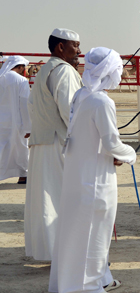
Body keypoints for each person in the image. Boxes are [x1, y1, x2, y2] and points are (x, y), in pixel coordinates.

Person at [49, 47, 136, 293]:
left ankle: (100, 277)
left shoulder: (82, 95)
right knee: (94, 231)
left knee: (88, 232)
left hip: (81, 175)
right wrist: (130, 154)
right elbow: (112, 143)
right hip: (95, 180)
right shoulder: (102, 102)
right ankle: (88, 291)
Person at [25, 29, 83, 261]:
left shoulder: (44, 71)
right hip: (58, 144)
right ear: (61, 47)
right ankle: (65, 254)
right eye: (75, 45)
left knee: (45, 202)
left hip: (41, 143)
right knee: (60, 199)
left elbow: (32, 107)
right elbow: (72, 113)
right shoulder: (64, 72)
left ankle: (50, 252)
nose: (79, 51)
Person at [0, 56, 32, 184]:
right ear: (20, 67)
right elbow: (25, 104)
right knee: (21, 148)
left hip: (2, 120)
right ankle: (23, 175)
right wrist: (28, 126)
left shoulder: (1, 78)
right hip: (16, 121)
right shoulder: (21, 80)